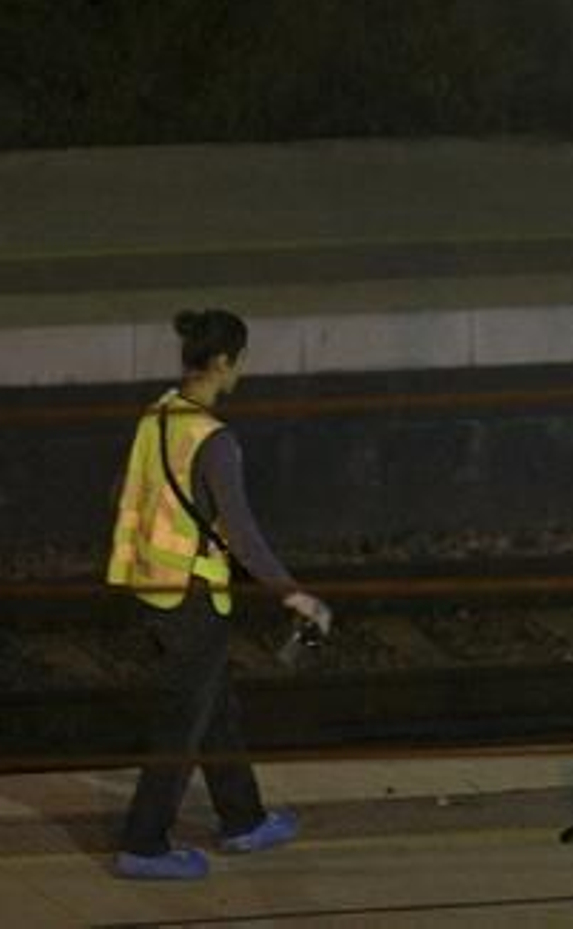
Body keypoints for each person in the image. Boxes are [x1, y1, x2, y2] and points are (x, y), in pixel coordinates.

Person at [106, 309, 332, 881]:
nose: (240, 373)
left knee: (214, 709)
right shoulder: (214, 441)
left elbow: (127, 498)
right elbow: (245, 536)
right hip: (192, 598)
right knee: (183, 724)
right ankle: (143, 844)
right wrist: (295, 597)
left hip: (148, 587)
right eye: (240, 361)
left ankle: (243, 818)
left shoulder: (157, 418)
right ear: (225, 362)